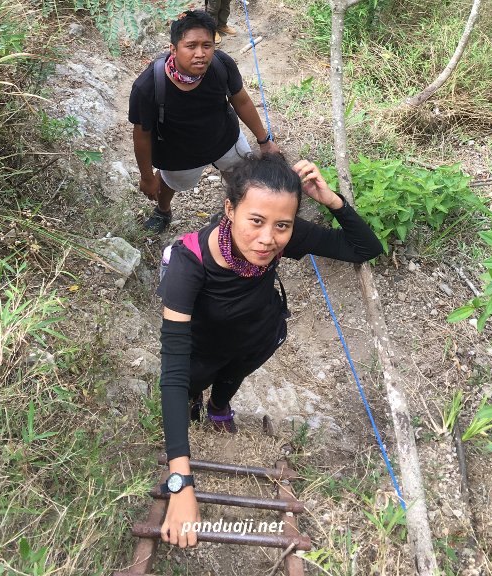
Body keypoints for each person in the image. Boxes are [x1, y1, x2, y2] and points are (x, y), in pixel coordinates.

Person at [156, 153, 384, 547]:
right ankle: (199, 404)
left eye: (283, 225)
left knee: (232, 379)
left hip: (258, 335)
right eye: (256, 221)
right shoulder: (188, 263)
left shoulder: (284, 236)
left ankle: (219, 406)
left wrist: (332, 201)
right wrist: (181, 482)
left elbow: (364, 248)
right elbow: (173, 369)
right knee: (191, 385)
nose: (268, 239)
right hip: (200, 351)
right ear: (230, 209)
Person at [129, 10, 279, 234]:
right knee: (171, 183)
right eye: (191, 46)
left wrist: (264, 140)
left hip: (225, 138)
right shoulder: (148, 86)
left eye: (207, 45)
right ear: (173, 49)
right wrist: (147, 177)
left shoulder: (221, 65)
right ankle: (163, 211)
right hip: (178, 153)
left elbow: (241, 101)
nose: (200, 54)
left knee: (242, 178)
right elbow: (141, 135)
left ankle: (235, 211)